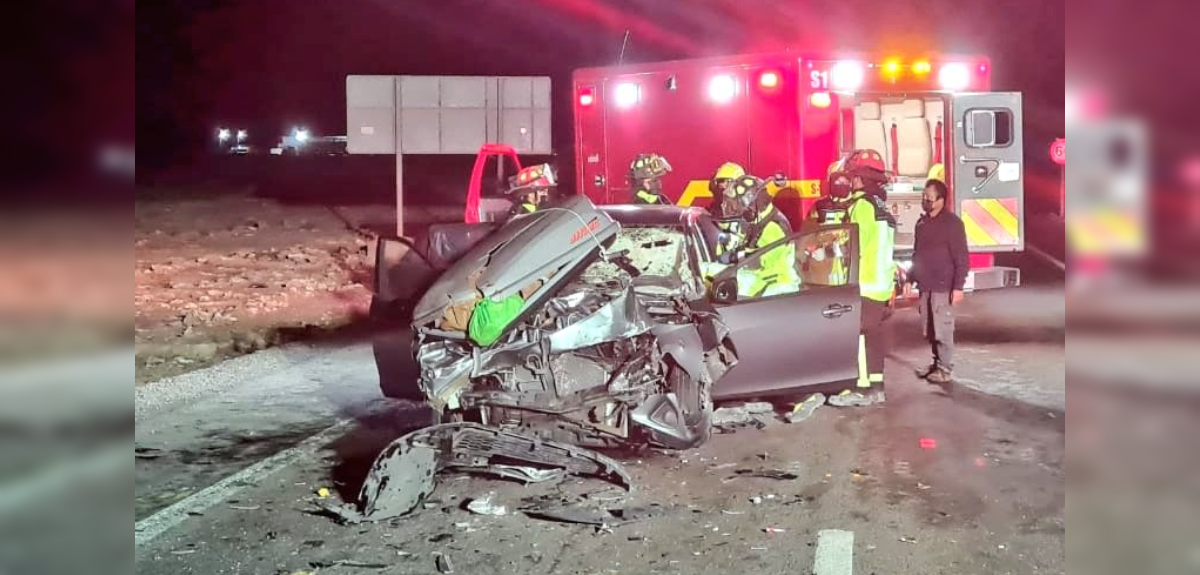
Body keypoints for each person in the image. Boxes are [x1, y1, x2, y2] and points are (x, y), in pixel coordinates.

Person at [810, 150, 897, 406]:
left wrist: (821, 254)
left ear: (859, 178)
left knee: (858, 336)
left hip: (865, 282)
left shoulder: (861, 206)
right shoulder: (881, 206)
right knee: (873, 337)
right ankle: (876, 387)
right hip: (881, 283)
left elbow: (851, 245)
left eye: (853, 176)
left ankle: (861, 389)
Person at [904, 178, 969, 384]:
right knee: (930, 329)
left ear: (941, 200)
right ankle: (936, 363)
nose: (925, 200)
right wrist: (910, 278)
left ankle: (944, 368)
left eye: (929, 197)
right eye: (924, 196)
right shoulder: (922, 224)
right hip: (926, 286)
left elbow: (961, 258)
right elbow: (917, 255)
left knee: (943, 329)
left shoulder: (953, 224)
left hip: (943, 286)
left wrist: (958, 287)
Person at [717, 174, 797, 297]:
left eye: (734, 206)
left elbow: (759, 260)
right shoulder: (757, 221)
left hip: (777, 287)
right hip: (762, 282)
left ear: (750, 206)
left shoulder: (773, 226)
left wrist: (734, 256)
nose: (731, 209)